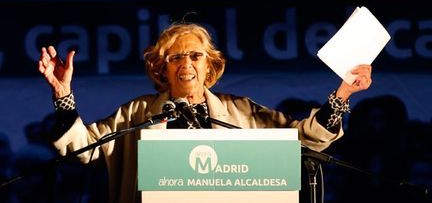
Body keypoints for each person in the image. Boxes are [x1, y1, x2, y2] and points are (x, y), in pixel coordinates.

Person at [38, 22, 373, 203]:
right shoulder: (137, 113)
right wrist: (63, 93)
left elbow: (307, 140)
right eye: (175, 58)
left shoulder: (240, 112)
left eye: (195, 56)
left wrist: (343, 91)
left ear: (209, 65)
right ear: (161, 69)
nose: (186, 65)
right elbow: (81, 147)